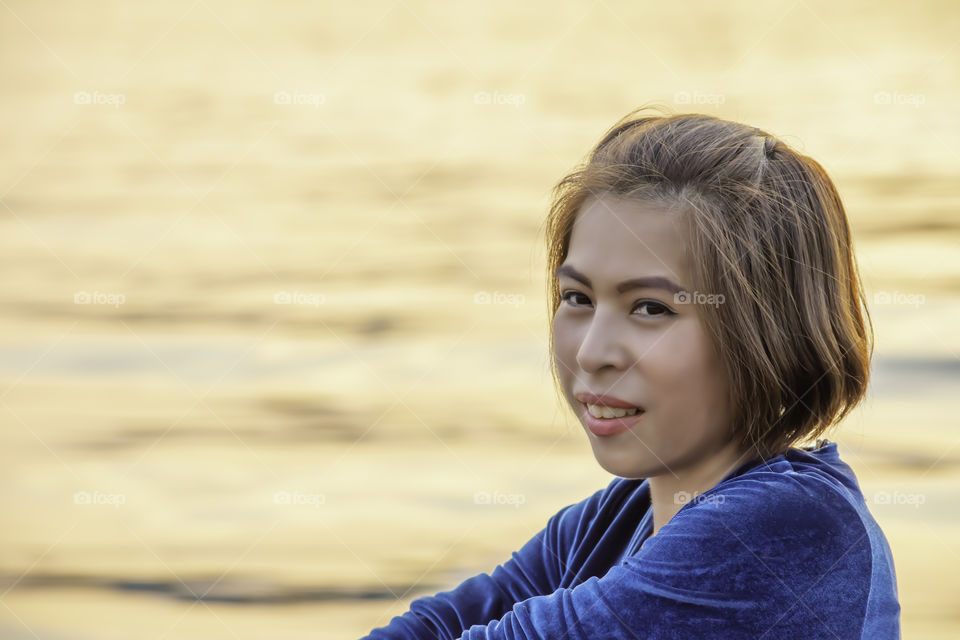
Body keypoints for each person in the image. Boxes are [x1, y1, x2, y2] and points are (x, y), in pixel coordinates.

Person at [359, 106, 901, 639]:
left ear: (769, 331)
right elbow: (438, 626)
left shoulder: (786, 530)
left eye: (650, 308)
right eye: (577, 297)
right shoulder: (615, 517)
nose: (593, 353)